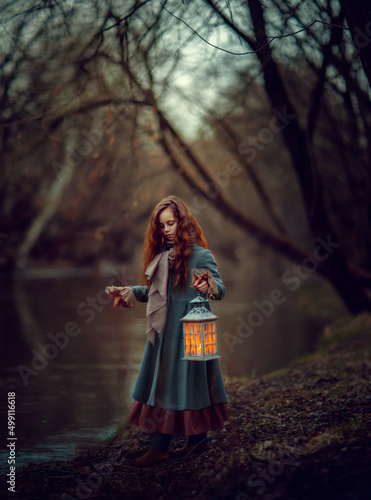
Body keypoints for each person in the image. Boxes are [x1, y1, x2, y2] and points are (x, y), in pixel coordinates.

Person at [106, 196, 228, 466]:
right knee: (169, 384)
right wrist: (128, 292)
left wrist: (210, 287)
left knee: (179, 385)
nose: (167, 229)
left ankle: (160, 448)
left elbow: (220, 289)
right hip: (163, 335)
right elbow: (156, 294)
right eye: (161, 226)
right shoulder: (161, 257)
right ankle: (200, 442)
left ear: (182, 221)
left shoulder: (201, 255)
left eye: (171, 223)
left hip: (191, 335)